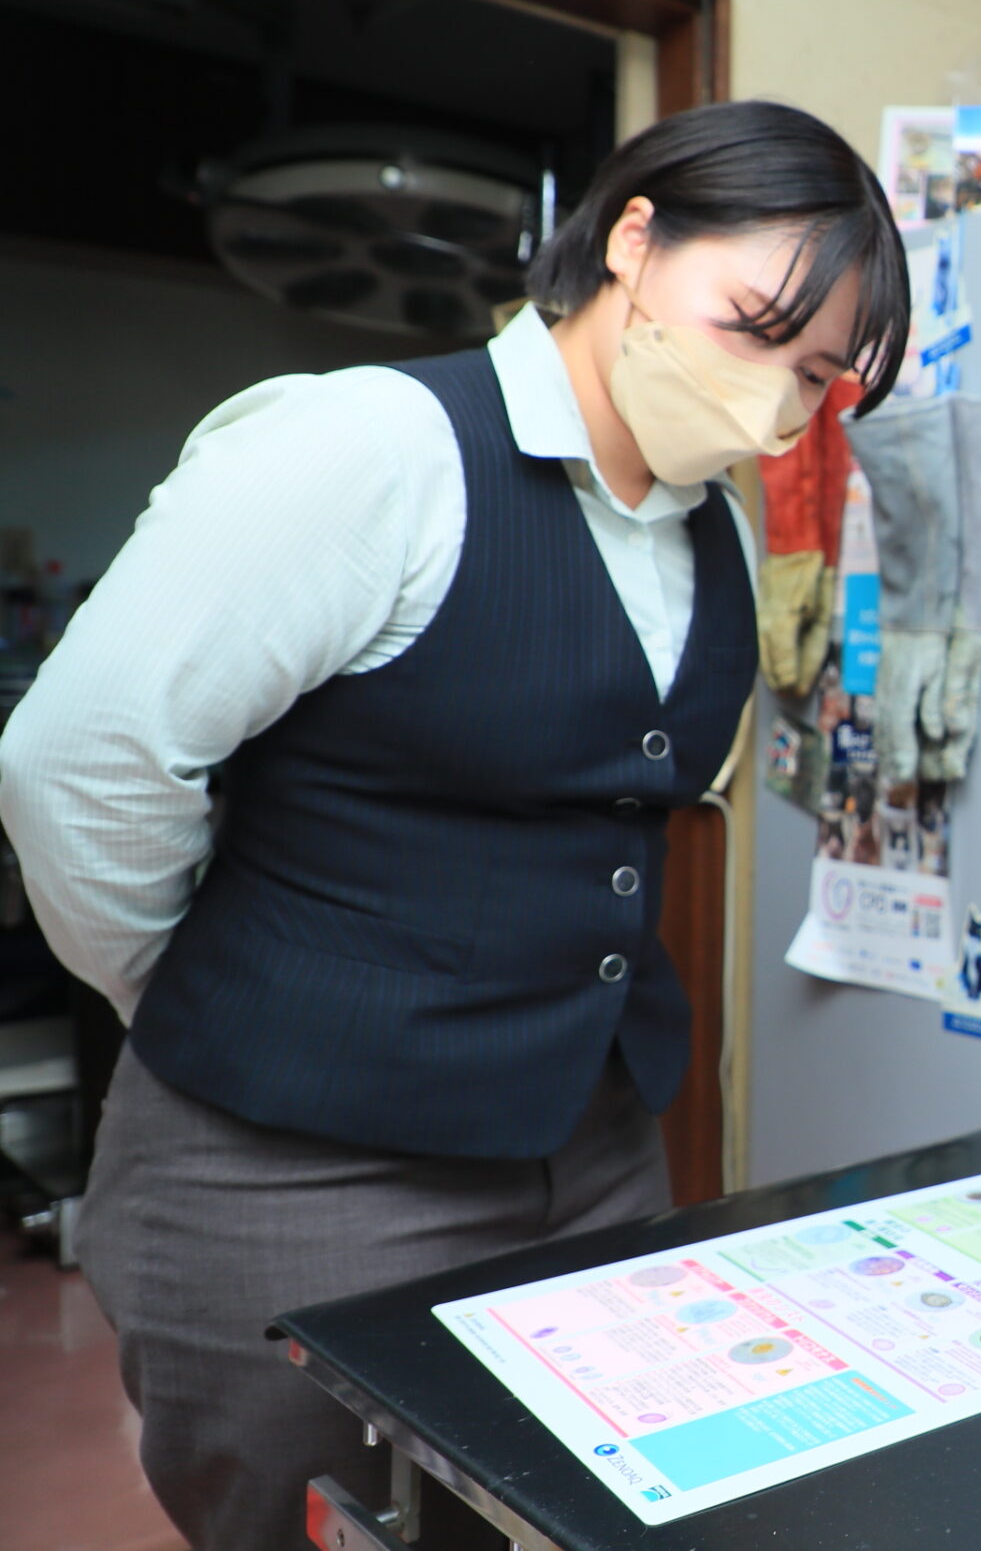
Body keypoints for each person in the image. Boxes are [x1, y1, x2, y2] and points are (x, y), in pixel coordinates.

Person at [0, 99, 907, 1551]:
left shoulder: (714, 527)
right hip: (296, 1164)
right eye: (750, 326)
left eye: (813, 378)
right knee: (314, 1524)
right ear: (633, 239)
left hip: (593, 1144)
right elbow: (83, 757)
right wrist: (191, 995)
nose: (774, 408)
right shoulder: (373, 449)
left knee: (563, 1520)